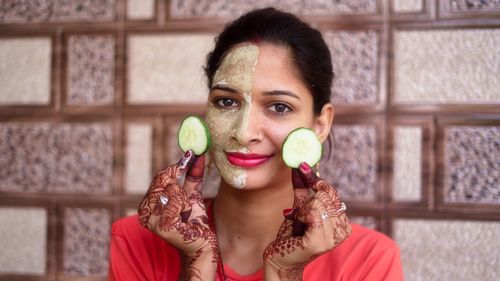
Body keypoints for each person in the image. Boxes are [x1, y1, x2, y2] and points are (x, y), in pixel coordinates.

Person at [109, 8, 403, 281]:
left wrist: (284, 271)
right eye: (226, 102)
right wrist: (197, 262)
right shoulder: (136, 239)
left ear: (320, 124)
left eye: (279, 107)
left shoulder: (368, 261)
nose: (243, 132)